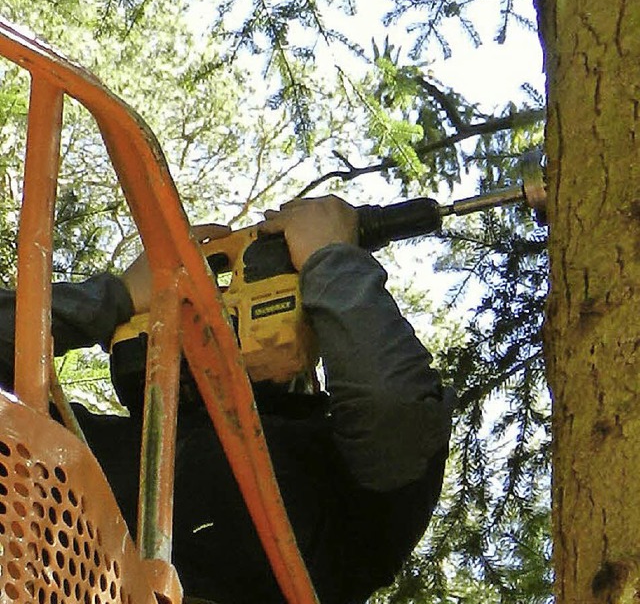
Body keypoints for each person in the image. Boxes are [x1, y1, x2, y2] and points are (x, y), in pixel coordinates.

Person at [0, 195, 456, 604]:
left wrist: (330, 258)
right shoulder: (86, 452)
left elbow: (392, 404)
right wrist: (114, 298)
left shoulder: (349, 487)